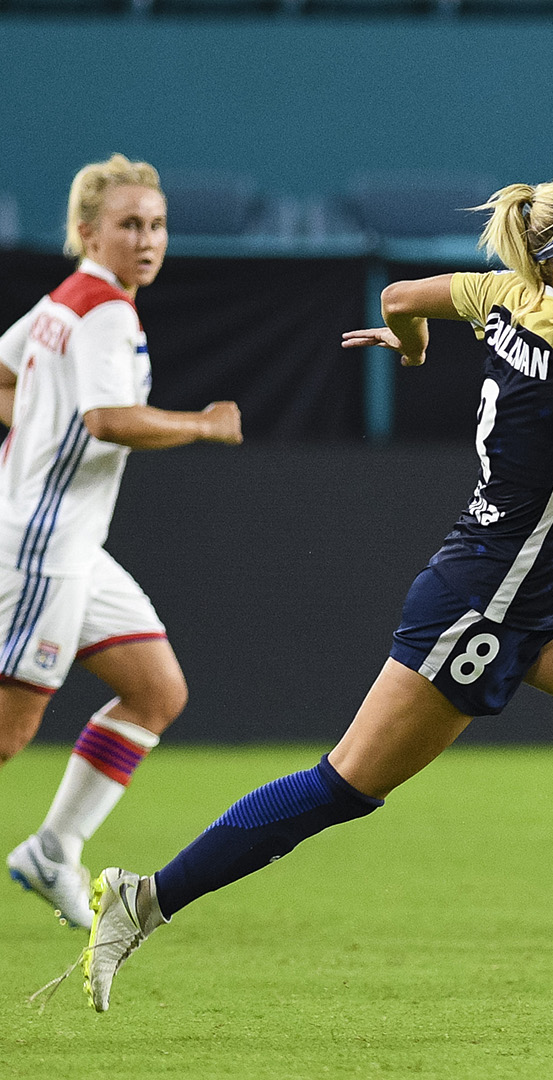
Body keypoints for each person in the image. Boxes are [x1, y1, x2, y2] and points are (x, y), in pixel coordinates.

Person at [70, 179, 553, 1012]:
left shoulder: (503, 293)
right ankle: (146, 896)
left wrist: (411, 347)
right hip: (484, 602)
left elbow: (400, 294)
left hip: (543, 586)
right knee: (344, 785)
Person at [0, 155, 243, 931]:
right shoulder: (103, 309)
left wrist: (36, 427)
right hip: (40, 547)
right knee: (7, 738)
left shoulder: (62, 302)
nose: (147, 239)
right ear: (86, 233)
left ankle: (51, 850)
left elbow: (8, 375)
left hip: (71, 545)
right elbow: (109, 419)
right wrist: (203, 423)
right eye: (129, 225)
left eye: (156, 224)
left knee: (156, 691)